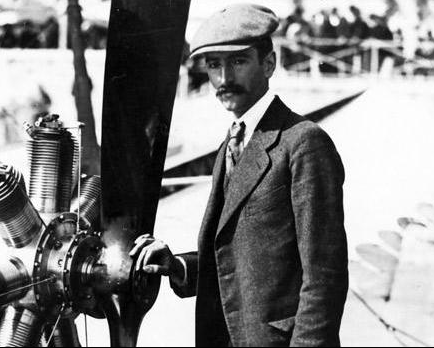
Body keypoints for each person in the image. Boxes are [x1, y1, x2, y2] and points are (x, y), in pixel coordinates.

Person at [130, 4, 348, 347]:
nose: (224, 79)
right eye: (214, 65)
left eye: (238, 61)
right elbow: (237, 258)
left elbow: (324, 277)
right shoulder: (231, 144)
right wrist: (177, 266)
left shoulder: (302, 143)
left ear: (269, 64)